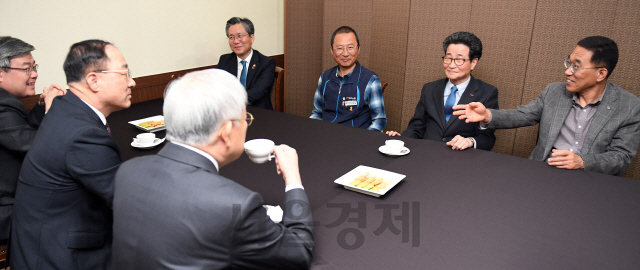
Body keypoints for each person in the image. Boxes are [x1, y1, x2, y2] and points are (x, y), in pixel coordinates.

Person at [112, 69, 314, 269]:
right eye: (245, 119)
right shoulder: (235, 204)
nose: (246, 125)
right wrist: (293, 179)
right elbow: (299, 251)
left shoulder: (127, 171)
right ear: (226, 132)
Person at [10, 39, 136, 269]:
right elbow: (129, 204)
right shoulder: (83, 135)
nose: (133, 82)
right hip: (59, 256)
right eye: (125, 73)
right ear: (93, 80)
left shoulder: (64, 107)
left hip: (42, 240)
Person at [453, 36, 640, 175]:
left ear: (601, 74)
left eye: (576, 66)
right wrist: (488, 116)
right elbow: (524, 114)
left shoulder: (629, 106)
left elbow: (621, 157)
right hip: (543, 171)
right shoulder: (555, 92)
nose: (567, 71)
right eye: (569, 63)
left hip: (590, 179)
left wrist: (582, 161)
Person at [0, 36, 65, 254]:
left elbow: (20, 134)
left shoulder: (7, 105)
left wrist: (39, 107)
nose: (34, 74)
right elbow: (38, 148)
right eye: (27, 69)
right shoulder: (2, 106)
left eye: (34, 67)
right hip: (6, 210)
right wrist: (51, 110)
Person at [386, 32, 498, 150]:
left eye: (459, 60)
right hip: (425, 154)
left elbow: (487, 138)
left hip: (460, 158)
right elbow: (416, 127)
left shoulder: (487, 93)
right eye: (448, 58)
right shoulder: (429, 89)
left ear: (473, 62)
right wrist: (401, 141)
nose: (451, 65)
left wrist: (470, 141)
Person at [310, 26, 387, 132]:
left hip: (355, 140)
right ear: (332, 50)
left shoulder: (371, 80)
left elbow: (379, 120)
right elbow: (317, 112)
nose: (345, 53)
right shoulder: (325, 77)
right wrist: (312, 131)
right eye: (339, 48)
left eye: (350, 47)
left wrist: (364, 140)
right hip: (325, 135)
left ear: (358, 48)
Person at [217, 17, 276, 110]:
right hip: (230, 114)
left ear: (251, 38)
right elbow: (218, 88)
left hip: (259, 114)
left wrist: (232, 103)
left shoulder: (266, 63)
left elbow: (258, 91)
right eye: (231, 37)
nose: (236, 41)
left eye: (240, 36)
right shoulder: (224, 60)